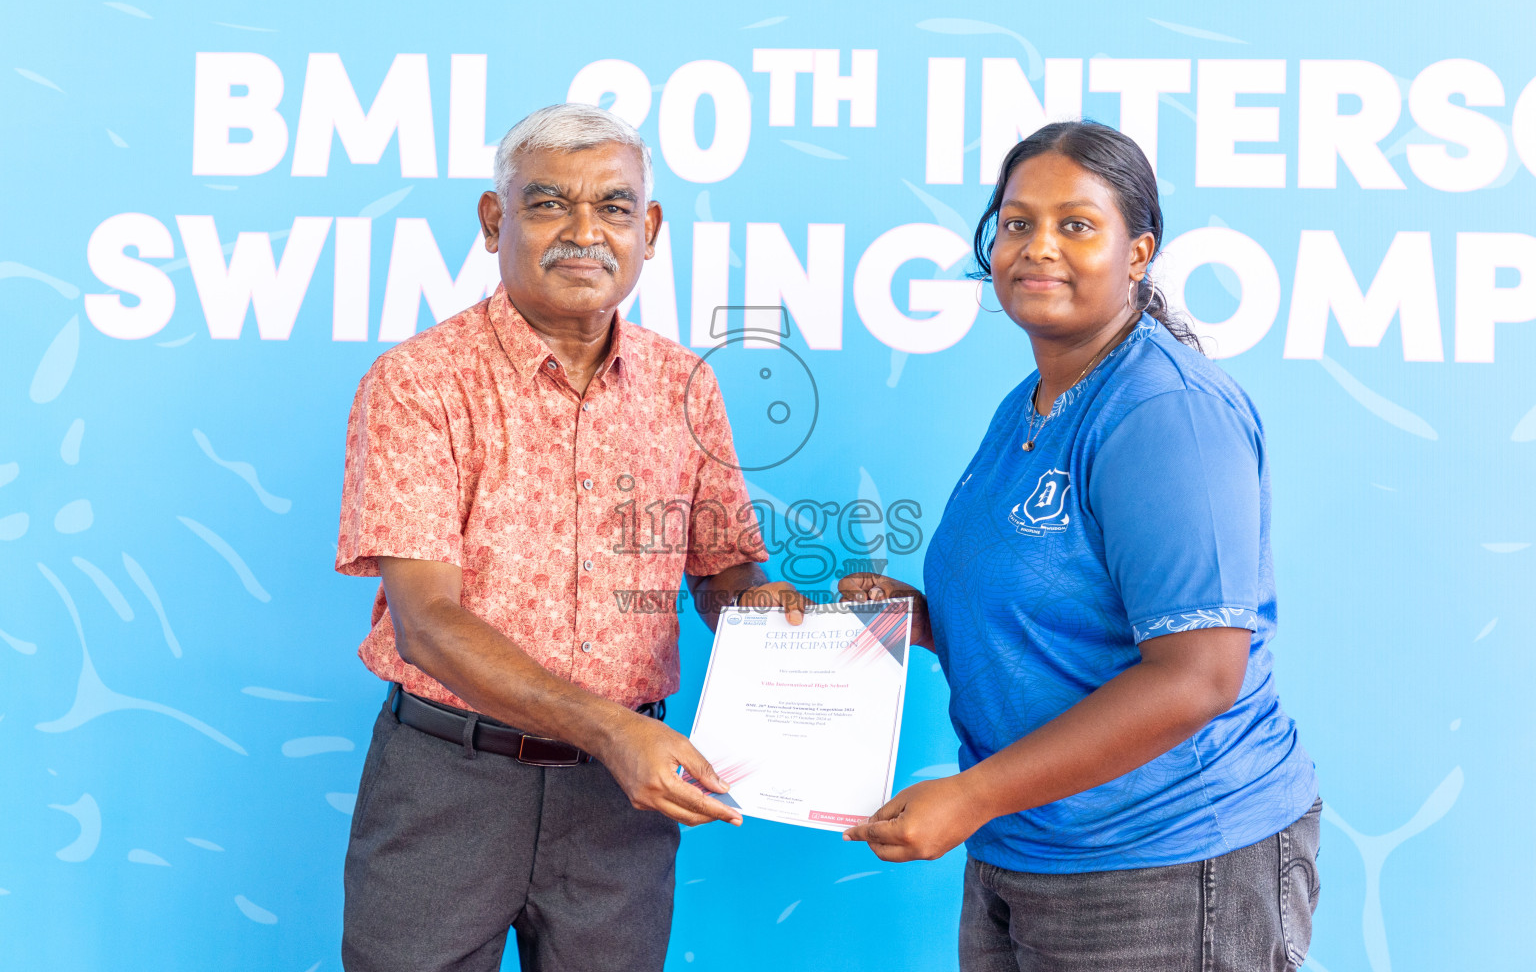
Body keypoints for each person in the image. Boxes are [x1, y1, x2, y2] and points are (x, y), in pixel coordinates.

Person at [334, 103, 806, 972]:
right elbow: (426, 623)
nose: (584, 232)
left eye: (615, 208)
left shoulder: (685, 387)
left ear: (650, 229)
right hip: (449, 782)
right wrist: (609, 732)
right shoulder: (417, 383)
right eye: (549, 204)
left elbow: (723, 572)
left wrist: (771, 614)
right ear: (493, 220)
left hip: (620, 806)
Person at [841, 120, 1321, 971]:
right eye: (1018, 223)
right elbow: (1058, 605)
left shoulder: (1163, 412)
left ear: (1138, 252)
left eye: (1076, 225)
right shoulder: (1033, 400)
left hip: (1167, 859)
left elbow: (1200, 676)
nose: (1038, 248)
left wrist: (971, 796)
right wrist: (920, 619)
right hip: (1027, 845)